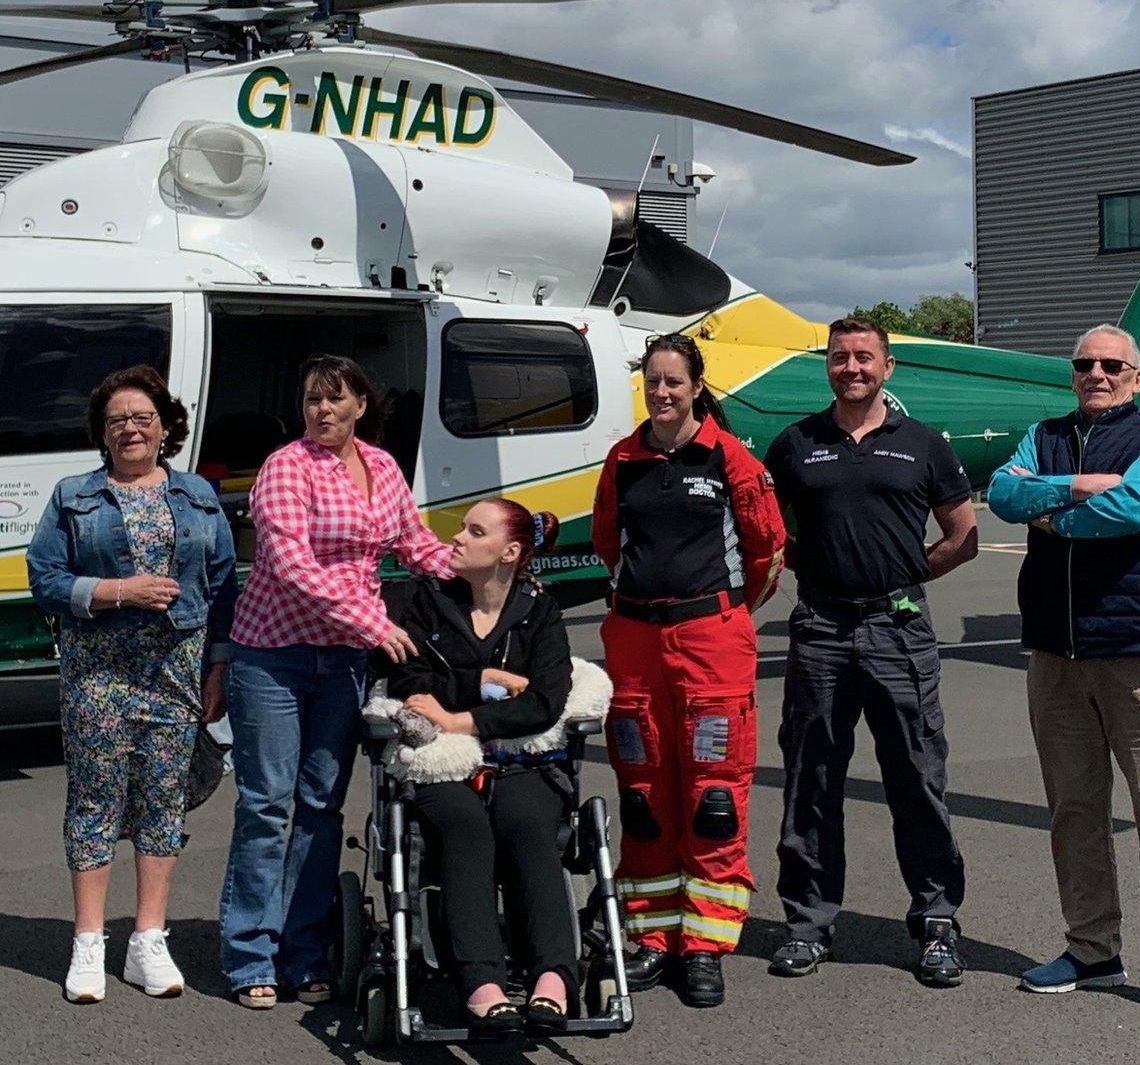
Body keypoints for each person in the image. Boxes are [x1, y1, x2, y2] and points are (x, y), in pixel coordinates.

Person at [986, 324, 1140, 1026]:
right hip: (1055, 654)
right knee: (1074, 812)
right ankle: (1091, 950)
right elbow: (1000, 493)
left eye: (1113, 364)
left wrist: (1055, 516)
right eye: (1084, 363)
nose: (1098, 373)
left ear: (1136, 377)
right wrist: (1078, 485)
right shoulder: (1043, 434)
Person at [219, 354, 454, 1009]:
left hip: (344, 659)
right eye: (311, 400)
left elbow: (415, 544)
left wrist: (483, 565)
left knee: (321, 808)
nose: (320, 411)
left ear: (359, 406)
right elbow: (289, 562)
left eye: (333, 399)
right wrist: (370, 622)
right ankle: (250, 957)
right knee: (267, 805)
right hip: (275, 654)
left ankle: (304, 952)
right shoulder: (284, 467)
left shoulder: (381, 467)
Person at [763, 316, 978, 988]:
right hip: (821, 630)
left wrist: (902, 580)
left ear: (888, 368)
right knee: (811, 780)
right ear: (826, 366)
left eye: (864, 358)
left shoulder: (924, 444)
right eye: (840, 358)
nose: (851, 367)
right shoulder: (795, 444)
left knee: (916, 780)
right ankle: (807, 924)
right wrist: (814, 570)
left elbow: (962, 533)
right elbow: (771, 533)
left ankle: (937, 923)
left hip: (897, 633)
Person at [27, 365, 237, 1005]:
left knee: (162, 806)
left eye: (142, 417)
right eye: (116, 419)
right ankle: (88, 944)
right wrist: (118, 591)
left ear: (165, 426)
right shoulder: (73, 495)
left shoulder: (199, 496)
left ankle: (149, 940)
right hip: (97, 676)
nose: (129, 428)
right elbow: (44, 579)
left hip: (175, 674)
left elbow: (225, 584)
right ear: (102, 432)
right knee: (93, 804)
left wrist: (219, 664)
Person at [589, 333, 786, 1009]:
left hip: (712, 640)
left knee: (713, 793)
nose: (663, 393)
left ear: (698, 386)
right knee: (642, 788)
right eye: (653, 383)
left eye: (674, 381)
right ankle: (649, 935)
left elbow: (765, 553)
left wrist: (718, 614)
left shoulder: (730, 460)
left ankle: (704, 945)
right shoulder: (623, 459)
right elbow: (608, 540)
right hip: (636, 637)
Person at [374, 499, 575, 1032]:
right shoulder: (425, 600)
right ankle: (481, 981)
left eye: (473, 531)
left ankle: (553, 977)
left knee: (528, 820)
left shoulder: (540, 609)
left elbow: (547, 700)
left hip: (516, 760)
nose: (456, 538)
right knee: (463, 824)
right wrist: (493, 685)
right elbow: (406, 680)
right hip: (440, 764)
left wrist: (460, 716)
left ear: (509, 552)